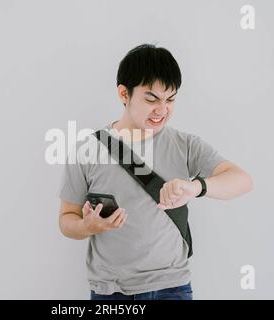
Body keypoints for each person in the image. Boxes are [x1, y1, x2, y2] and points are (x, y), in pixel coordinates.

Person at [57, 43, 253, 300]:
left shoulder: (185, 145)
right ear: (124, 94)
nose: (162, 110)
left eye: (170, 99)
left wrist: (196, 187)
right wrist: (87, 226)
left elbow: (242, 180)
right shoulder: (88, 149)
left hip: (173, 287)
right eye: (151, 99)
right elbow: (66, 219)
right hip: (112, 291)